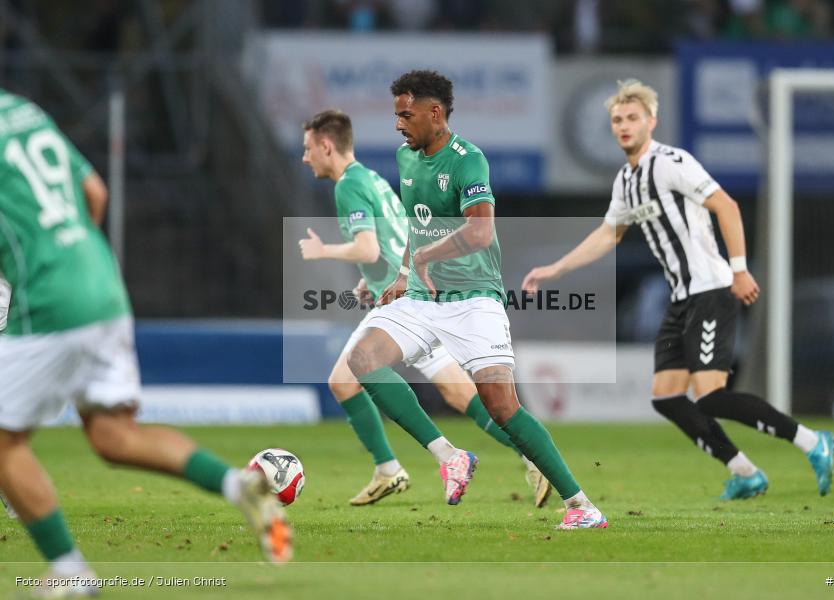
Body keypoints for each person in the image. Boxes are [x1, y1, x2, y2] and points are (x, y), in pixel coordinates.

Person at [0, 88, 292, 596]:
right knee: (114, 435)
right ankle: (237, 484)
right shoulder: (23, 111)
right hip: (101, 282)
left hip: (48, 295)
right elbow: (95, 192)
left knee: (4, 444)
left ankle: (70, 570)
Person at [523, 79, 834, 500]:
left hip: (710, 290)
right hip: (681, 299)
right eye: (617, 120)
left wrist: (739, 270)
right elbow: (608, 235)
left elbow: (726, 206)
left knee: (710, 397)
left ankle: (812, 442)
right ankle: (745, 472)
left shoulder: (671, 162)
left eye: (632, 118)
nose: (623, 126)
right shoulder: (626, 180)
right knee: (666, 397)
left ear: (651, 121)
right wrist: (557, 269)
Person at [346, 70, 607, 529]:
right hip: (423, 297)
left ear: (435, 113)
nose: (398, 125)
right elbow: (416, 225)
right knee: (363, 358)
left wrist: (425, 256)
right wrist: (405, 272)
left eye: (406, 115)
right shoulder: (406, 159)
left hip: (474, 300)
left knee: (502, 407)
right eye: (396, 116)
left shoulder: (468, 161)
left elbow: (481, 232)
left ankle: (582, 506)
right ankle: (450, 456)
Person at [298, 109, 551, 507]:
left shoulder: (348, 186)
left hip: (409, 303)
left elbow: (368, 246)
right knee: (457, 394)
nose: (305, 157)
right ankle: (529, 458)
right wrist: (374, 278)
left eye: (308, 148)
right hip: (413, 291)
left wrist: (323, 250)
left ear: (326, 146)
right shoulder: (371, 178)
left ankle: (415, 463)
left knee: (348, 380)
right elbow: (401, 232)